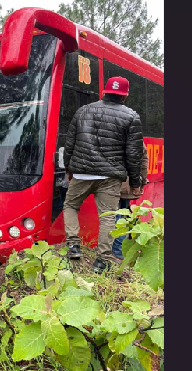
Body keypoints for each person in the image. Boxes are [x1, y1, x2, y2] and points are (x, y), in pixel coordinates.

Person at [62, 76, 144, 274]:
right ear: (125, 96)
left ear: (105, 92)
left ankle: (73, 245)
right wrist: (135, 182)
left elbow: (69, 144)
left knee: (71, 205)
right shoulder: (131, 117)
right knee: (108, 216)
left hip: (82, 173)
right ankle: (102, 260)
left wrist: (69, 170)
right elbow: (134, 155)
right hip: (110, 176)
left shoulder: (83, 111)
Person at [112, 145, 149, 261]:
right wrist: (141, 184)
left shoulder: (114, 135)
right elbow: (143, 164)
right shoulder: (138, 140)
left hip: (111, 184)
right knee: (123, 216)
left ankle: (115, 250)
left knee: (115, 216)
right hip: (128, 184)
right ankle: (118, 250)